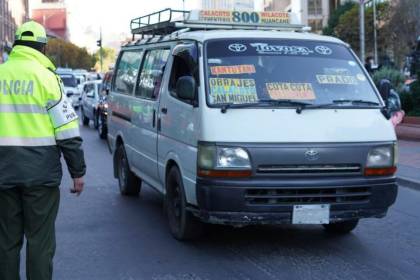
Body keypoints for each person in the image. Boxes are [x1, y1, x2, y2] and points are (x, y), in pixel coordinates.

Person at [0, 21, 86, 280]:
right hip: (40, 177)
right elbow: (68, 131)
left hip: (3, 175)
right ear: (42, 48)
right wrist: (77, 172)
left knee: (6, 243)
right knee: (40, 242)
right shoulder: (48, 79)